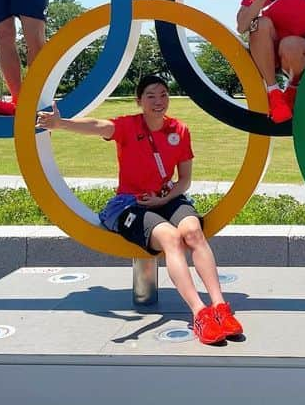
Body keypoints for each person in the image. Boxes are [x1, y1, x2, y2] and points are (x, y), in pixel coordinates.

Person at [35, 74, 242, 345]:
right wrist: (61, 124)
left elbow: (184, 180)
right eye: (151, 96)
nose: (159, 101)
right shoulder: (128, 126)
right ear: (140, 101)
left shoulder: (179, 130)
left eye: (164, 95)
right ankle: (199, 313)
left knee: (193, 231)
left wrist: (161, 200)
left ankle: (219, 308)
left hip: (166, 199)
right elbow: (98, 125)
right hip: (130, 204)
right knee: (171, 238)